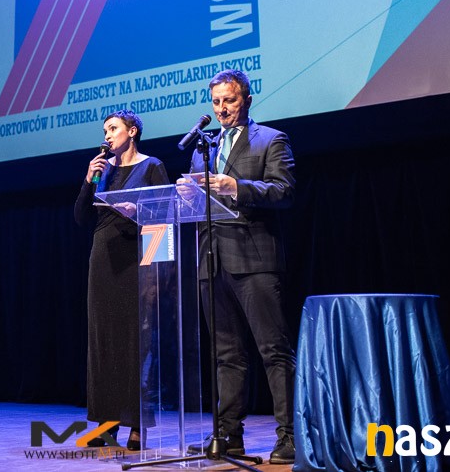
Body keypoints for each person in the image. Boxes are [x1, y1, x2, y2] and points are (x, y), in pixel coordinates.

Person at [179, 69, 297, 465]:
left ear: (246, 99)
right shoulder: (205, 148)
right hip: (212, 260)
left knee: (273, 350)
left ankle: (290, 436)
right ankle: (228, 435)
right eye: (215, 102)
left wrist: (237, 187)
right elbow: (200, 203)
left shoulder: (271, 140)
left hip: (255, 259)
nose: (221, 108)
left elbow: (284, 190)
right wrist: (187, 195)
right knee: (226, 355)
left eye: (228, 100)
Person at [74, 109, 169, 451]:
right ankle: (107, 423)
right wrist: (89, 181)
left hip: (136, 261)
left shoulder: (152, 166)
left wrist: (157, 272)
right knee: (104, 343)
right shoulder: (103, 170)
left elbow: (164, 217)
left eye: (113, 128)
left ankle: (138, 425)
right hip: (103, 262)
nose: (107, 135)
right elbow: (81, 218)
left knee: (136, 345)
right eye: (105, 130)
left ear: (132, 131)